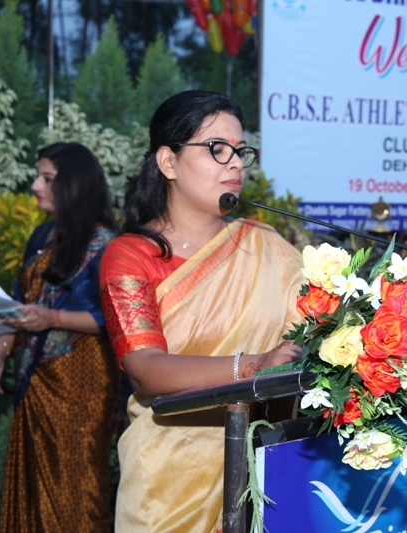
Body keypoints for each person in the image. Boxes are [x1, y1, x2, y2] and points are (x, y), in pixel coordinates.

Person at [98, 90, 304, 532]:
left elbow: (317, 328)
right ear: (168, 162)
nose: (236, 164)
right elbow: (145, 369)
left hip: (264, 472)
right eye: (217, 149)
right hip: (166, 487)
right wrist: (253, 366)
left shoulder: (266, 247)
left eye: (240, 151)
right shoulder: (131, 255)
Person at [0, 142, 120, 532]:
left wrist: (52, 318)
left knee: (76, 485)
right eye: (38, 176)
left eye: (47, 178)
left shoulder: (108, 245)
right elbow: (19, 303)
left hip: (81, 383)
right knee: (31, 485)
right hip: (34, 377)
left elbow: (113, 317)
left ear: (74, 184)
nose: (35, 185)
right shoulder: (42, 234)